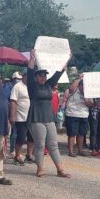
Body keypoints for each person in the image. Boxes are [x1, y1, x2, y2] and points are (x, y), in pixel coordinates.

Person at [27, 49, 71, 178]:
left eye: (44, 75)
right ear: (36, 77)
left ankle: (60, 169)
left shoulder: (48, 85)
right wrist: (32, 58)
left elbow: (59, 72)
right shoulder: (32, 86)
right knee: (40, 145)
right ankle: (40, 168)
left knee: (53, 145)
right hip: (36, 118)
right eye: (40, 75)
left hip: (49, 118)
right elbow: (30, 71)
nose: (43, 77)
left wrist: (66, 59)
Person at [9, 69, 35, 165]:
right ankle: (17, 155)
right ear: (23, 76)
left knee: (32, 137)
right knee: (21, 137)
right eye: (28, 76)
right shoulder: (18, 86)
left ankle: (29, 154)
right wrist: (12, 116)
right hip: (21, 117)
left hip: (32, 117)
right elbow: (13, 101)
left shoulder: (33, 87)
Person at [65, 76, 92, 157]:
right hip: (72, 114)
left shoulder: (88, 93)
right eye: (83, 86)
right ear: (79, 86)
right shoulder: (74, 90)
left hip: (84, 115)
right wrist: (80, 78)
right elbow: (71, 88)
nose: (84, 88)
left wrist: (88, 101)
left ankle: (80, 151)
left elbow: (90, 104)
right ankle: (71, 151)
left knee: (81, 134)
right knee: (72, 133)